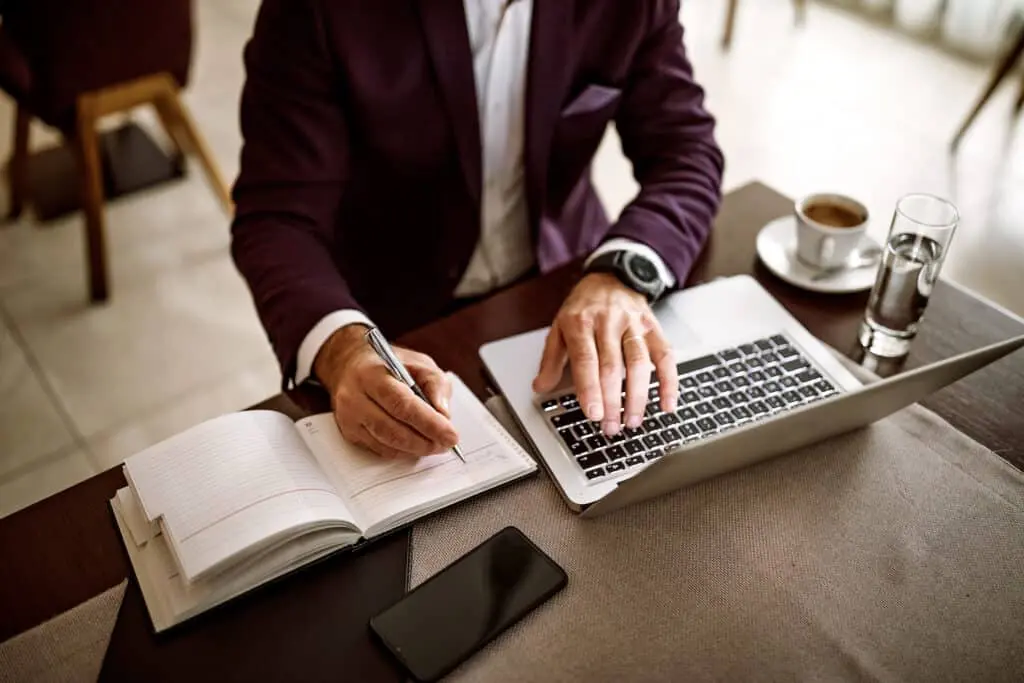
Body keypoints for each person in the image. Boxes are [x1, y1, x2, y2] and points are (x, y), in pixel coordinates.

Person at [231, 0, 724, 459]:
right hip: (393, 326)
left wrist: (621, 274)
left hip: (561, 293)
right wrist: (341, 347)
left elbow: (686, 152)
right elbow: (278, 215)